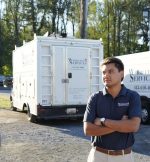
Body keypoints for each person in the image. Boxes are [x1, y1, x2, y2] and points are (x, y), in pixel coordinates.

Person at [83, 57, 141, 162]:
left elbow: (134, 126)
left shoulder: (132, 96)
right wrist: (121, 125)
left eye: (111, 71)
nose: (106, 75)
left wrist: (103, 121)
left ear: (121, 73)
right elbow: (88, 130)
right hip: (98, 156)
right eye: (104, 72)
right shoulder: (95, 98)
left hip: (124, 157)